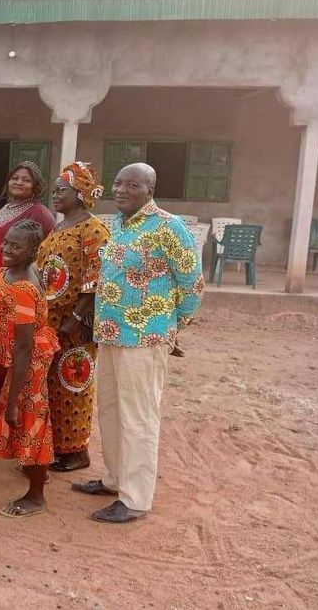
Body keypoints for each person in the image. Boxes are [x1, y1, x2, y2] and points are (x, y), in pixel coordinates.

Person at [73, 163, 204, 523]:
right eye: (118, 182)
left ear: (150, 189)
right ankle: (115, 479)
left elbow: (192, 282)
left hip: (146, 337)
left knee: (139, 418)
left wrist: (174, 327)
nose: (122, 189)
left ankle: (135, 499)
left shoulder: (168, 227)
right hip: (112, 333)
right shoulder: (118, 223)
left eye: (133, 184)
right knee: (112, 410)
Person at [0, 220, 58, 517]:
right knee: (28, 419)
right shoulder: (15, 271)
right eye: (6, 242)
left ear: (32, 251)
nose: (7, 249)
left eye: (16, 246)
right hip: (21, 355)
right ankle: (37, 471)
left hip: (30, 362)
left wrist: (11, 404)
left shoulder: (24, 287)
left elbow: (24, 347)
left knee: (30, 420)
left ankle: (37, 496)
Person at [36, 162, 110, 472]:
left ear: (79, 194)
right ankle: (57, 446)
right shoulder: (60, 225)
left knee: (72, 382)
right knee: (52, 384)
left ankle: (77, 452)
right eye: (53, 189)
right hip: (51, 319)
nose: (55, 194)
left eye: (61, 190)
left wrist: (77, 318)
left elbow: (96, 278)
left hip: (75, 322)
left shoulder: (93, 229)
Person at [0, 160, 55, 412]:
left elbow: (44, 252)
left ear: (36, 185)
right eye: (15, 178)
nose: (19, 183)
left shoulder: (39, 213)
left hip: (9, 287)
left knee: (4, 342)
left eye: (26, 179)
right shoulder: (5, 207)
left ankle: (1, 404)